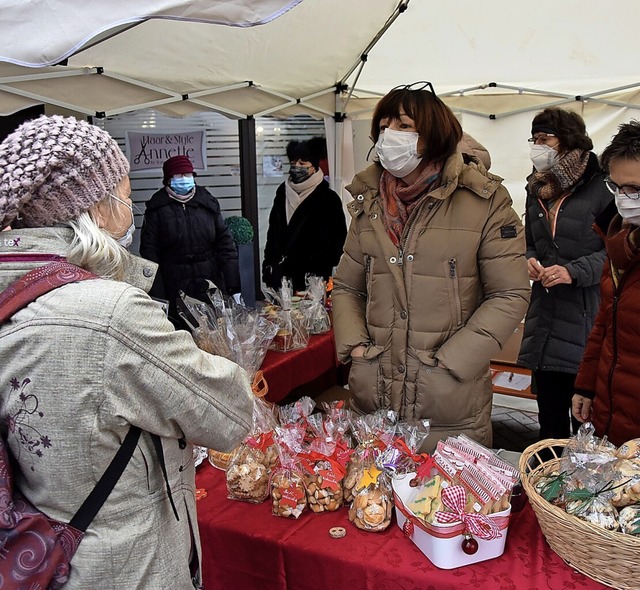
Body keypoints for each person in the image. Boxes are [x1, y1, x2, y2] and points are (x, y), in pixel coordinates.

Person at [0, 115, 254, 589]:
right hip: (125, 567)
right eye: (124, 187)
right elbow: (230, 413)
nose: (130, 203)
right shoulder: (111, 314)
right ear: (95, 206)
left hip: (39, 557)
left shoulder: (15, 292)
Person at [331, 82, 530, 452]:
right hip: (375, 393)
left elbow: (510, 293)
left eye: (404, 126)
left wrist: (451, 362)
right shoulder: (370, 200)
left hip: (447, 400)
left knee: (441, 505)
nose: (391, 135)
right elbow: (347, 286)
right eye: (385, 125)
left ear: (434, 134)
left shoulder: (485, 199)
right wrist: (356, 346)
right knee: (368, 504)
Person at [517, 107, 612, 440]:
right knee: (550, 428)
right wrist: (528, 260)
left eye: (544, 139)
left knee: (586, 431)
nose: (537, 146)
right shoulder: (535, 190)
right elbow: (529, 242)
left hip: (586, 321)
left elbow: (616, 253)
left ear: (569, 140)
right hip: (545, 320)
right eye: (534, 139)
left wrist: (573, 271)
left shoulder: (604, 188)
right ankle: (544, 489)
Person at [572, 120, 640, 446]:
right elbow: (605, 322)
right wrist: (587, 386)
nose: (625, 199)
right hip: (610, 419)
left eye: (636, 189)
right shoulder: (617, 238)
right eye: (617, 187)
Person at [140, 155, 240, 328]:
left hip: (210, 285)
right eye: (179, 175)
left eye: (188, 174)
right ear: (168, 180)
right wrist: (158, 296)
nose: (185, 179)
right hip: (176, 288)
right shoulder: (157, 208)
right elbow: (149, 254)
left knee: (216, 336)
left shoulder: (207, 203)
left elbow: (225, 245)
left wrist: (233, 286)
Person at [262, 137, 347, 292]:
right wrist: (268, 265)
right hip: (282, 278)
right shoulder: (282, 193)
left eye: (302, 163)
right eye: (293, 163)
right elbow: (273, 232)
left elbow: (339, 239)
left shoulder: (328, 198)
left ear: (313, 167)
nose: (296, 167)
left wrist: (321, 267)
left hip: (313, 280)